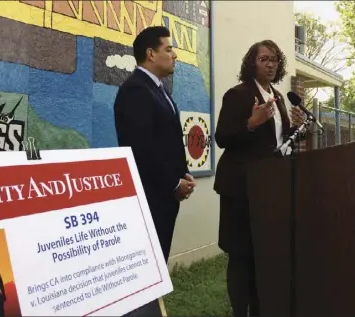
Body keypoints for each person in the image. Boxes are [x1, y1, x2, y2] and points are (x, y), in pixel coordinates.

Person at [214, 40, 306, 317]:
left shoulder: (277, 97)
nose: (270, 64)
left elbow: (277, 144)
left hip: (269, 189)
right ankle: (239, 312)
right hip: (241, 188)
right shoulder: (238, 95)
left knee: (261, 253)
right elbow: (222, 138)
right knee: (241, 254)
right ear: (251, 63)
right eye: (264, 59)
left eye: (274, 60)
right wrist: (250, 124)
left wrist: (297, 128)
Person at [114, 26, 196, 317]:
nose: (175, 55)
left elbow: (168, 141)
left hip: (164, 198)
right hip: (150, 199)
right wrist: (173, 184)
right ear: (150, 54)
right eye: (168, 49)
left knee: (156, 267)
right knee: (145, 275)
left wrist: (184, 174)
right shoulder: (136, 90)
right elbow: (142, 148)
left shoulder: (158, 90)